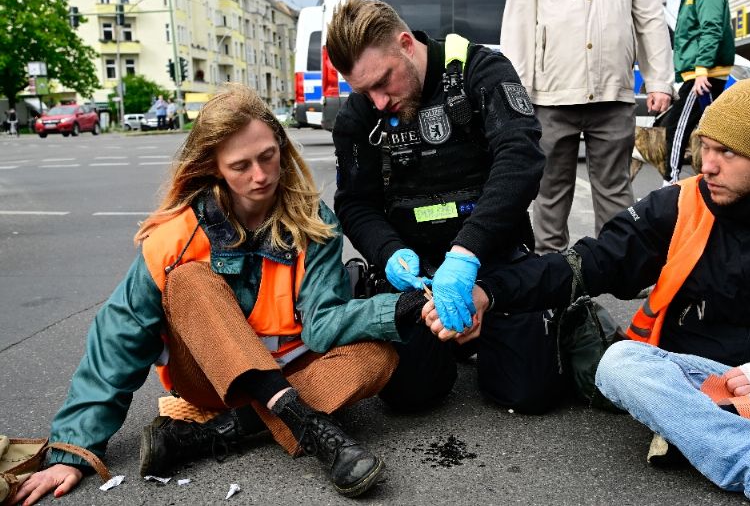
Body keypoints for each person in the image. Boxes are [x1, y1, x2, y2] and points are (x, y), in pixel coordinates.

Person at [427, 75, 750, 506]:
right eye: (704, 147)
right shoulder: (681, 203)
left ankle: (694, 432)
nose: (706, 166)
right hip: (692, 376)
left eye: (726, 153)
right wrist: (490, 293)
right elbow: (587, 263)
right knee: (619, 365)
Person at [12, 84, 435, 505]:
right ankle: (303, 422)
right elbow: (118, 336)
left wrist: (403, 306)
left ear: (282, 147)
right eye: (241, 165)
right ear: (214, 166)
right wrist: (72, 451)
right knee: (188, 281)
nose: (261, 175)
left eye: (269, 155)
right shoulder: (176, 235)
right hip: (210, 380)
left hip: (294, 369)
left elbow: (323, 324)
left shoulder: (313, 222)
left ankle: (211, 434)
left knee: (378, 358)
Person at [327, 0, 563, 413]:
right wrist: (388, 252)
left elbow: (520, 158)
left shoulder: (479, 71)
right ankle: (440, 339)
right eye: (365, 91)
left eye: (384, 82)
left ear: (404, 43)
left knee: (529, 392)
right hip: (415, 274)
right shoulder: (361, 114)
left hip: (488, 260)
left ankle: (498, 326)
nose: (379, 101)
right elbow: (354, 203)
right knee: (410, 396)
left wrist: (468, 252)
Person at [500, 0, 674, 253]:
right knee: (550, 191)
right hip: (551, 95)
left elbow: (651, 20)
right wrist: (519, 93)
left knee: (615, 189)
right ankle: (550, 264)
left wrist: (659, 82)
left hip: (612, 93)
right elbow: (518, 25)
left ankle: (618, 265)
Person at [662, 0, 735, 185]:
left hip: (703, 75)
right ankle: (721, 180)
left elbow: (711, 27)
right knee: (714, 133)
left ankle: (671, 182)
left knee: (676, 127)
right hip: (700, 73)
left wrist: (701, 68)